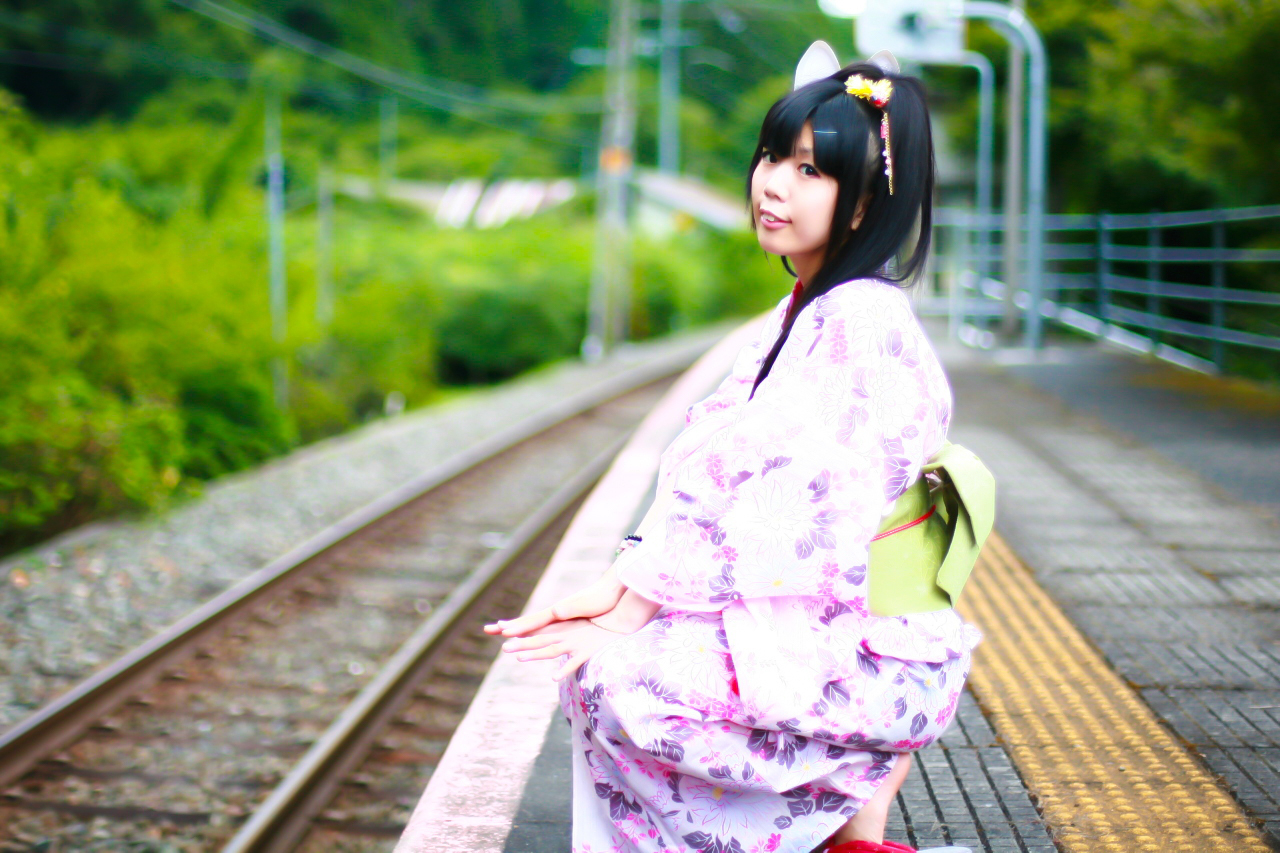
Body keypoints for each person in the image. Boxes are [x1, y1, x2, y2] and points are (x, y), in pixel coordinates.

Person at [485, 43, 981, 853]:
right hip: (839, 633)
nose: (773, 184)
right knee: (601, 667)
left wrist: (630, 610)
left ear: (862, 206)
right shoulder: (805, 312)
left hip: (867, 662)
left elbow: (785, 518)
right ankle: (846, 837)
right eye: (771, 156)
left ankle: (839, 826)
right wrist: (616, 593)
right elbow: (711, 489)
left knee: (620, 682)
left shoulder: (860, 321)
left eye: (811, 171)